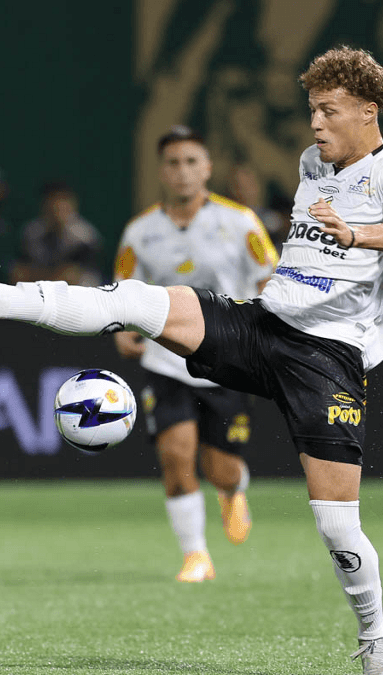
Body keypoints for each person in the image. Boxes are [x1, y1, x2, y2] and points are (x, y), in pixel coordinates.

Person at [0, 46, 383, 675]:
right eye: (311, 112)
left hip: (325, 357)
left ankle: (375, 638)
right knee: (134, 300)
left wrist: (355, 235)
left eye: (328, 112)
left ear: (368, 110)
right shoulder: (312, 163)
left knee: (336, 525)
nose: (316, 125)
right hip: (262, 324)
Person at [114, 126, 278, 583]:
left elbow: (271, 278)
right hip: (166, 359)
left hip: (229, 359)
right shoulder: (140, 232)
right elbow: (124, 289)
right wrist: (123, 331)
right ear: (161, 172)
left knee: (220, 467)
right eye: (173, 163)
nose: (182, 172)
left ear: (207, 168)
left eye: (191, 162)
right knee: (175, 454)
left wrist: (266, 335)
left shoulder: (241, 220)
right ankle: (196, 556)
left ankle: (233, 489)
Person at [13, 181, 103, 285]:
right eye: (51, 198)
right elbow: (19, 273)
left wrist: (35, 275)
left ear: (73, 203)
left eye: (62, 199)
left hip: (79, 294)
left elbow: (69, 276)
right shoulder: (31, 232)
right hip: (39, 291)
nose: (56, 204)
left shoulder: (85, 235)